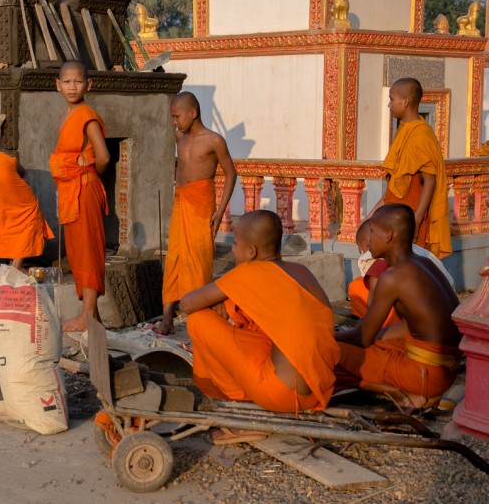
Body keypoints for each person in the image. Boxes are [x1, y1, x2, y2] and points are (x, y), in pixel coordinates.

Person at [181, 210, 339, 443]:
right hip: (317, 392)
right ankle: (249, 398)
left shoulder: (250, 272)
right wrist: (226, 299)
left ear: (251, 251)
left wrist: (220, 298)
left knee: (198, 320)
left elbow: (187, 303)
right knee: (250, 328)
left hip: (280, 395)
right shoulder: (302, 272)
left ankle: (240, 410)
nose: (232, 250)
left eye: (235, 244)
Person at [336, 204, 462, 408]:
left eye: (371, 231)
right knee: (380, 343)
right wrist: (381, 336)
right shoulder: (424, 263)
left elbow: (363, 338)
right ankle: (416, 391)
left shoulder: (392, 277)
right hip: (446, 371)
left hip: (424, 376)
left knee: (327, 352)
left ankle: (402, 394)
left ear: (388, 234)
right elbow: (411, 325)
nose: (368, 241)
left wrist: (327, 336)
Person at [160, 91, 237, 335]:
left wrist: (221, 211)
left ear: (193, 113)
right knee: (174, 257)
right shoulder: (178, 137)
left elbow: (231, 174)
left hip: (202, 202)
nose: (174, 121)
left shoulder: (214, 140)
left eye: (177, 116)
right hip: (180, 199)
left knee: (200, 257)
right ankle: (167, 317)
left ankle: (200, 311)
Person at [49, 60, 110, 332]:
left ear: (89, 84)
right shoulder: (65, 114)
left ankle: (86, 315)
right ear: (58, 85)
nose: (72, 86)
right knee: (78, 251)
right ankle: (92, 316)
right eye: (67, 82)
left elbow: (104, 157)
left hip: (84, 188)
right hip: (72, 190)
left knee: (87, 251)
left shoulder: (86, 114)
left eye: (78, 81)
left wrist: (83, 171)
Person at [367, 77, 451, 259]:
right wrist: (372, 214)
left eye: (391, 99)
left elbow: (430, 181)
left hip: (410, 219)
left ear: (405, 101)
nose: (389, 105)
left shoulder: (422, 135)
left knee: (413, 269)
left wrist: (417, 219)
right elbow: (397, 184)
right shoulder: (403, 131)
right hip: (394, 215)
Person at [0, 152, 53, 278]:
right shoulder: (12, 162)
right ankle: (16, 267)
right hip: (4, 177)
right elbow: (25, 179)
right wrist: (23, 192)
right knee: (28, 214)